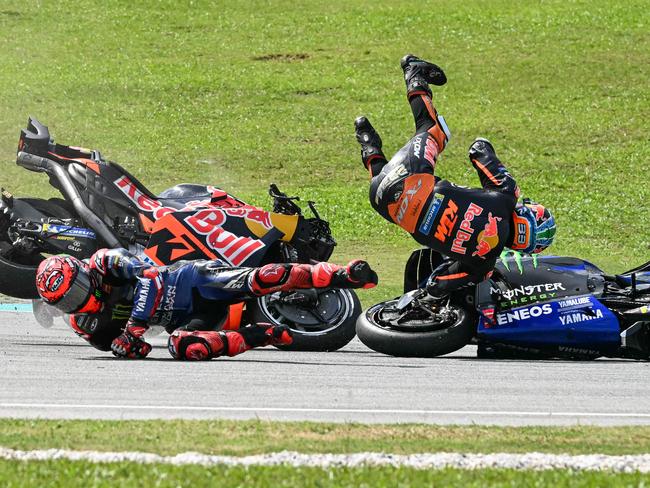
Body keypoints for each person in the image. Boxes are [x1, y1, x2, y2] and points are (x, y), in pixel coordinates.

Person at [354, 54, 556, 306]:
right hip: (385, 207)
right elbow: (438, 283)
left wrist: (505, 183)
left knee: (434, 130)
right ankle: (368, 145)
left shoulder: (506, 196)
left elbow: (478, 149)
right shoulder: (483, 266)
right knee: (382, 189)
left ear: (528, 215)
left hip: (411, 178)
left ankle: (414, 73)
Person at [35, 248, 378, 360]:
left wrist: (135, 328)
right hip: (189, 317)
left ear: (83, 270)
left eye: (78, 287)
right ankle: (262, 335)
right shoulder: (85, 324)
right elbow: (126, 349)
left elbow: (150, 276)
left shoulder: (105, 261)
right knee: (186, 348)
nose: (80, 299)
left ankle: (341, 275)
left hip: (191, 281)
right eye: (69, 300)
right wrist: (128, 347)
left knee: (260, 279)